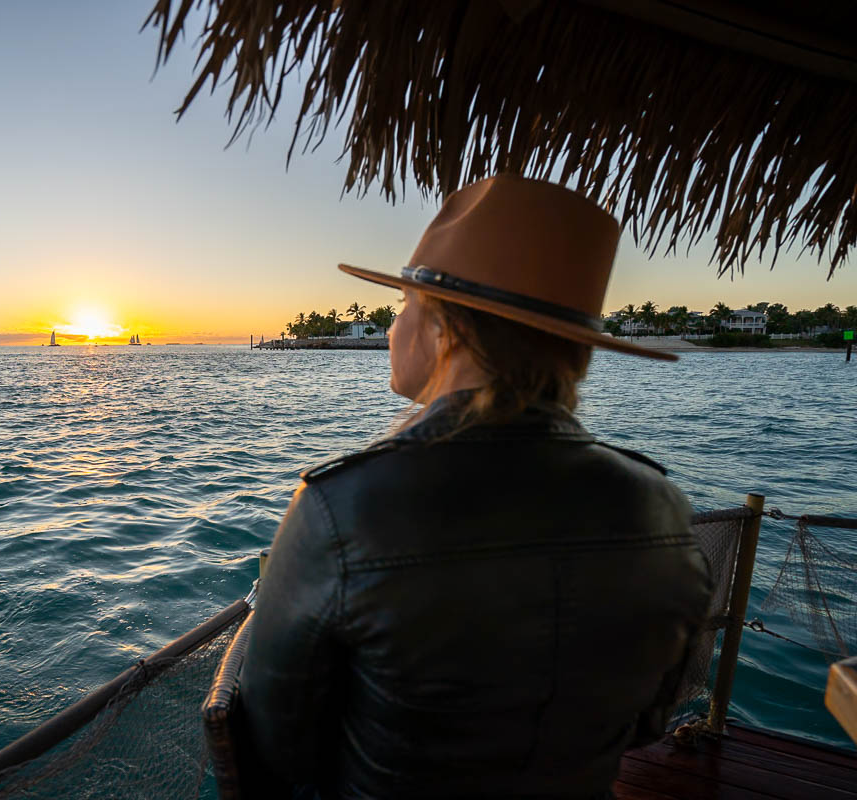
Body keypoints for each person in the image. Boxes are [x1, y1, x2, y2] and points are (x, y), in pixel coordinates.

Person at [238, 175, 713, 799]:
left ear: (446, 330)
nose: (389, 328)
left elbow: (272, 750)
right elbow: (650, 720)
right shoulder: (663, 506)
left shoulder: (343, 508)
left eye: (402, 307)